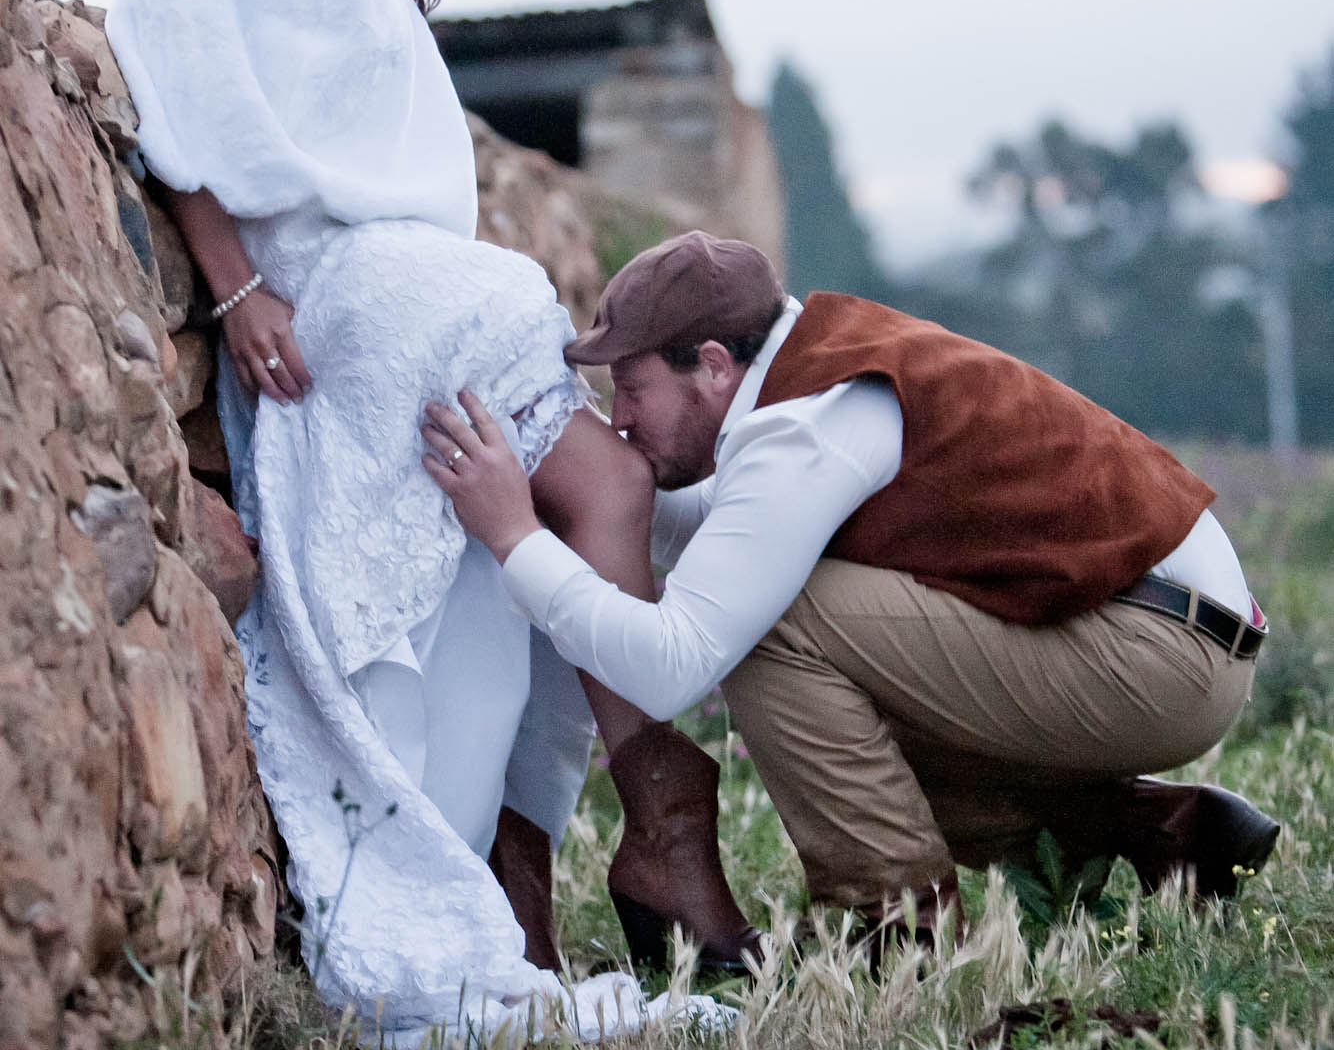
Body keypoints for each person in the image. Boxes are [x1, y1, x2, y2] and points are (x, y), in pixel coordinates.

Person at [106, 0, 754, 1046]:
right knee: (573, 424)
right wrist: (234, 285)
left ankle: (578, 842)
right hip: (324, 275)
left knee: (594, 485)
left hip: (397, 269)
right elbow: (165, 72)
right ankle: (648, 819)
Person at [424, 230, 1281, 953]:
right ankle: (1151, 827)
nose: (619, 419)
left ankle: (896, 928)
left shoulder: (806, 427)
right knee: (831, 706)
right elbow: (725, 529)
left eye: (632, 390)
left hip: (1161, 653)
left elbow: (670, 666)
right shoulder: (814, 374)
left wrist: (514, 537)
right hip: (1161, 632)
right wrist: (592, 485)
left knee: (775, 625)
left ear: (713, 366)